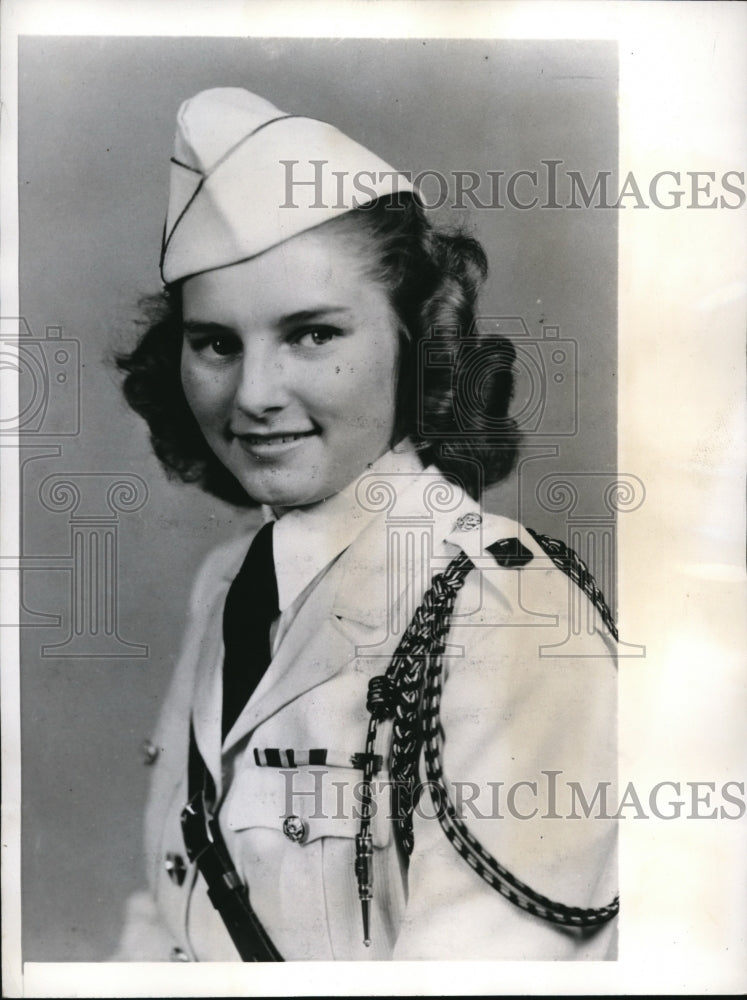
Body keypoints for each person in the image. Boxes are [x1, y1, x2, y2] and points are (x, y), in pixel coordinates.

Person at [113, 87, 618, 962]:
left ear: (420, 343)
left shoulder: (509, 616)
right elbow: (168, 926)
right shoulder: (227, 585)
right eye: (217, 343)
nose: (254, 394)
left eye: (311, 335)